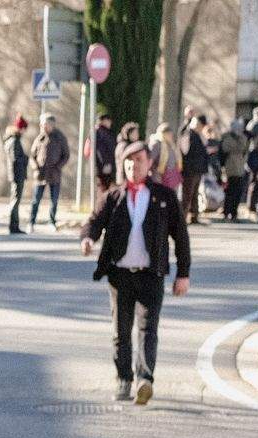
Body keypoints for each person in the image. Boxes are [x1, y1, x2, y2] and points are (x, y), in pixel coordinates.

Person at [80, 140, 192, 405]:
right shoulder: (113, 197)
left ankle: (145, 379)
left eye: (139, 161)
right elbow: (94, 222)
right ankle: (123, 378)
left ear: (149, 163)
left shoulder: (164, 197)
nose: (133, 166)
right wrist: (87, 239)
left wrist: (183, 274)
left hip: (150, 274)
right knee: (121, 330)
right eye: (128, 162)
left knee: (147, 328)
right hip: (120, 276)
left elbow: (181, 237)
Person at [31, 113, 70, 229]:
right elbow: (32, 155)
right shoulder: (40, 138)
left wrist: (58, 166)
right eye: (42, 125)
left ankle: (52, 221)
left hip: (54, 174)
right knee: (36, 199)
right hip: (41, 174)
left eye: (45, 124)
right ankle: (31, 222)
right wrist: (35, 166)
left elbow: (66, 155)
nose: (43, 127)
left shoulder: (60, 137)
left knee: (54, 200)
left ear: (51, 125)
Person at [179, 114, 213, 223]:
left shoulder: (199, 135)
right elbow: (184, 151)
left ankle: (194, 217)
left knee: (194, 195)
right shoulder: (188, 134)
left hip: (197, 170)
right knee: (187, 195)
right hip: (189, 170)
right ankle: (182, 218)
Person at [217, 116, 250, 221]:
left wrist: (241, 138)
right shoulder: (226, 138)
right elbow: (228, 148)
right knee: (230, 192)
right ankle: (227, 212)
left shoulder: (243, 137)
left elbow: (244, 148)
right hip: (229, 169)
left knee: (238, 192)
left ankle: (234, 213)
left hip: (240, 168)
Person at [4, 116, 31, 234]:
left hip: (16, 174)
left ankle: (14, 225)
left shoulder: (12, 139)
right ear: (21, 128)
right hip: (17, 174)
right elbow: (15, 158)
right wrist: (25, 159)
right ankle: (13, 226)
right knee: (15, 201)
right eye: (24, 129)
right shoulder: (14, 140)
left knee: (15, 200)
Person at [150, 123, 184, 194]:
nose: (170, 135)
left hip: (171, 176)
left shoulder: (172, 144)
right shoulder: (157, 144)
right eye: (167, 133)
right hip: (159, 177)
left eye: (170, 133)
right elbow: (151, 160)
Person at [93, 112, 118, 196]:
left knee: (108, 188)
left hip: (109, 165)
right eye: (108, 120)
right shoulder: (99, 132)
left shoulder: (106, 132)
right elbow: (99, 150)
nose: (110, 123)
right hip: (104, 167)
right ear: (103, 121)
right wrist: (105, 163)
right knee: (103, 189)